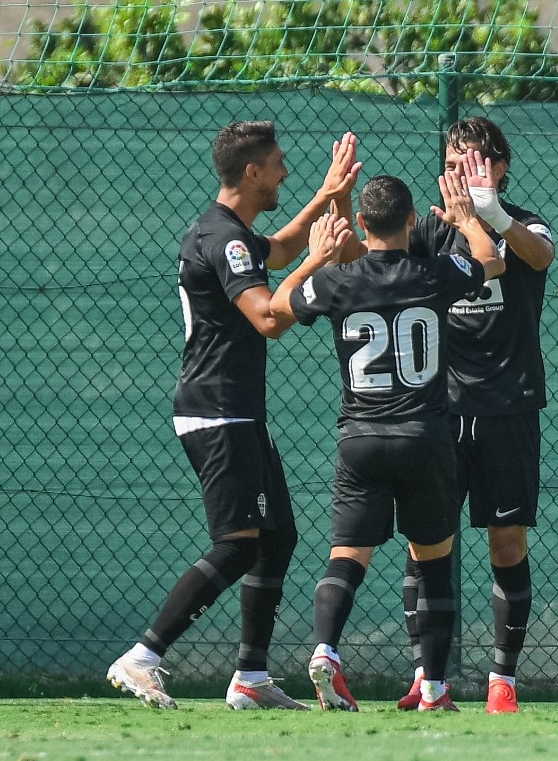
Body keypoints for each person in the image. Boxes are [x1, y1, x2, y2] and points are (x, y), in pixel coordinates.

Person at [106, 120, 361, 710]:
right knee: (238, 544)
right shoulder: (225, 240)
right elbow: (269, 319)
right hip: (217, 411)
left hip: (236, 411)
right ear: (251, 171)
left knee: (277, 538)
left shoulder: (230, 231)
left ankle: (250, 677)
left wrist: (326, 195)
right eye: (278, 164)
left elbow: (280, 247)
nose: (284, 173)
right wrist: (318, 263)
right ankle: (143, 656)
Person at [269, 173, 505, 712]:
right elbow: (491, 260)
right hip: (424, 435)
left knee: (347, 556)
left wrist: (317, 257)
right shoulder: (433, 273)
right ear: (410, 223)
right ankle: (435, 689)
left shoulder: (338, 280)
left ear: (362, 226)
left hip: (361, 437)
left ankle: (326, 650)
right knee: (434, 561)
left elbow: (280, 305)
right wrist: (467, 219)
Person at [392, 117, 555, 714]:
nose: (465, 172)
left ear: (500, 166)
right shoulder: (428, 232)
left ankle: (502, 678)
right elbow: (380, 261)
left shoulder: (522, 223)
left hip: (507, 406)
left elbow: (540, 255)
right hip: (438, 409)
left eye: (477, 162)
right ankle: (425, 675)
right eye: (455, 161)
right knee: (424, 543)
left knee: (506, 542)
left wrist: (493, 215)